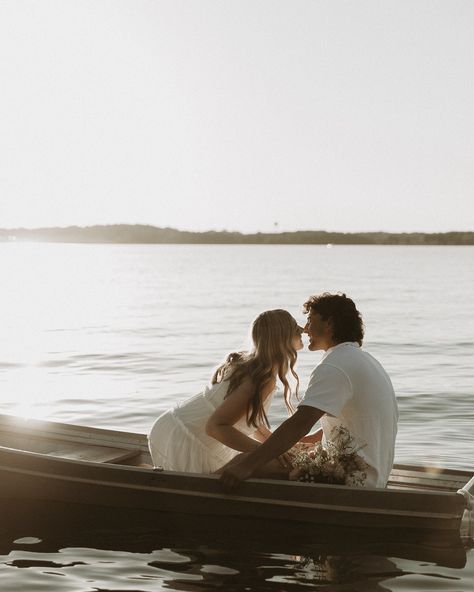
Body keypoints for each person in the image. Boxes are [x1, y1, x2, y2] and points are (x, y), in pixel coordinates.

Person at [220, 293, 399, 490]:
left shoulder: (335, 365)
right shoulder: (365, 361)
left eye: (310, 320)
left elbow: (302, 421)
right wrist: (305, 442)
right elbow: (351, 421)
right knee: (270, 458)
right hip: (373, 476)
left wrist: (248, 466)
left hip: (352, 480)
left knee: (239, 463)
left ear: (329, 324)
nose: (305, 329)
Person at [148, 309, 304, 473]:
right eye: (294, 326)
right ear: (281, 336)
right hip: (185, 436)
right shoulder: (262, 379)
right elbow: (215, 427)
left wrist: (279, 449)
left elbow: (253, 423)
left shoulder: (256, 367)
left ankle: (142, 470)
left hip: (175, 426)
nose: (301, 329)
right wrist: (265, 454)